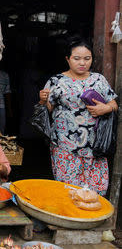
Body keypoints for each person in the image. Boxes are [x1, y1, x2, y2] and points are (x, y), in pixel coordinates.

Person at [39, 39, 117, 195]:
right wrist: (42, 100)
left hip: (95, 146)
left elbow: (114, 104)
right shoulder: (56, 81)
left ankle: (91, 219)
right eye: (77, 58)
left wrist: (105, 108)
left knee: (95, 193)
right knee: (69, 191)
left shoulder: (98, 80)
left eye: (87, 59)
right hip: (64, 146)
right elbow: (47, 110)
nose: (82, 63)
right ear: (68, 59)